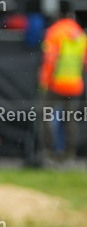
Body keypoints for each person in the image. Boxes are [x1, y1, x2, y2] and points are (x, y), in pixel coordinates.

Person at [38, 12, 87, 164]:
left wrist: (44, 82)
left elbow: (50, 61)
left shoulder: (55, 32)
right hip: (74, 84)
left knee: (45, 115)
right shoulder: (80, 34)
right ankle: (69, 155)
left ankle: (49, 153)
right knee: (71, 120)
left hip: (56, 84)